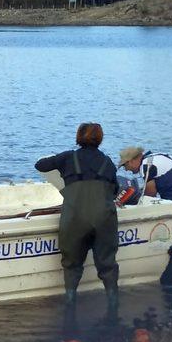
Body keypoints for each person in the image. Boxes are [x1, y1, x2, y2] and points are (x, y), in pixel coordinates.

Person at [35, 122, 119, 319]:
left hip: (75, 218)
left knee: (72, 265)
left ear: (79, 137)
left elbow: (40, 165)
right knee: (107, 265)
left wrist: (59, 163)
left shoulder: (67, 158)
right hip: (104, 219)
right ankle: (113, 310)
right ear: (100, 138)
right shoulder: (108, 163)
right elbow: (114, 191)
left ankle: (70, 311)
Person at [119, 146, 172, 253]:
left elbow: (150, 193)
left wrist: (138, 205)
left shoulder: (146, 166)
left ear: (132, 161)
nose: (126, 169)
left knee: (169, 223)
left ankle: (168, 250)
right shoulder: (153, 157)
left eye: (125, 165)